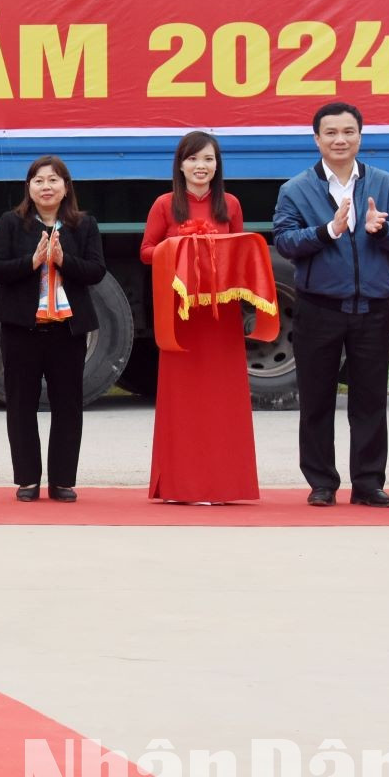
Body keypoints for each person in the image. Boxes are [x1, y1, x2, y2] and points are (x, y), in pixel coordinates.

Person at [273, 102, 389, 507]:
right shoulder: (296, 189)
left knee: (369, 400)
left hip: (373, 307)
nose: (341, 139)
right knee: (316, 399)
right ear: (316, 138)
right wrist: (328, 230)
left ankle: (369, 484)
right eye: (331, 133)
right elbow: (285, 241)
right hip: (319, 307)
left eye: (349, 132)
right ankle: (321, 483)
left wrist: (383, 228)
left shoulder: (386, 184)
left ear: (360, 136)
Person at [139, 130, 259, 504]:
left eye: (208, 159)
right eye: (193, 159)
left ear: (217, 164)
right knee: (184, 400)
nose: (200, 166)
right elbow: (146, 251)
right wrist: (180, 247)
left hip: (220, 315)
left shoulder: (232, 205)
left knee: (223, 399)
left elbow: (240, 252)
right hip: (182, 313)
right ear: (180, 165)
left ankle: (224, 485)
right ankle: (181, 485)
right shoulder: (164, 205)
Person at [0, 156, 105, 502]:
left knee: (68, 405)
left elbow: (97, 270)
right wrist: (33, 262)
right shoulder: (12, 223)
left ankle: (63, 481)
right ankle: (27, 480)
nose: (46, 187)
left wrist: (64, 261)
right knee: (21, 405)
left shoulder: (84, 225)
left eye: (54, 180)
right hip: (22, 329)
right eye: (39, 181)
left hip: (66, 331)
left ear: (66, 187)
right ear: (29, 188)